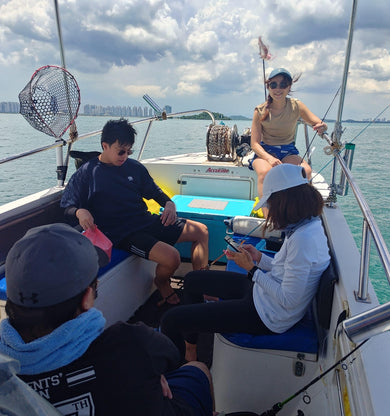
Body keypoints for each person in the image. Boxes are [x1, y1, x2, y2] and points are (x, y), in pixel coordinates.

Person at [0, 223, 214, 416]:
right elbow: (170, 356)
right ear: (86, 299)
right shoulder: (132, 342)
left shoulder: (5, 371)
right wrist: (148, 369)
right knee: (198, 369)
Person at [160, 164, 330, 362]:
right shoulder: (305, 226)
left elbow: (288, 299)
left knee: (170, 320)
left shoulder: (303, 240)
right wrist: (258, 257)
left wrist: (251, 269)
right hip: (263, 296)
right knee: (192, 279)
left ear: (285, 202)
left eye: (270, 204)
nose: (270, 211)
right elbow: (283, 268)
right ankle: (191, 350)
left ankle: (179, 375)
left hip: (268, 316)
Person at [60, 118, 209, 305]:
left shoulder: (134, 167)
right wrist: (80, 212)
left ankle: (203, 288)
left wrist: (169, 204)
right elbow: (67, 206)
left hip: (144, 220)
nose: (125, 156)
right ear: (105, 146)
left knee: (201, 231)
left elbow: (155, 192)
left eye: (129, 151)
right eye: (121, 151)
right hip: (122, 233)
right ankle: (162, 283)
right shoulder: (87, 173)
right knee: (172, 257)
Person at [250, 68, 327, 215]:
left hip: (288, 150)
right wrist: (269, 158)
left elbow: (316, 121)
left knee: (306, 171)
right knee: (265, 173)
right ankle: (268, 217)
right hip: (265, 151)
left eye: (283, 84)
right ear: (268, 87)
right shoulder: (259, 111)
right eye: (273, 85)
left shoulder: (296, 106)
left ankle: (303, 211)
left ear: (289, 87)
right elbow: (254, 144)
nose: (278, 89)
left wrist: (322, 126)